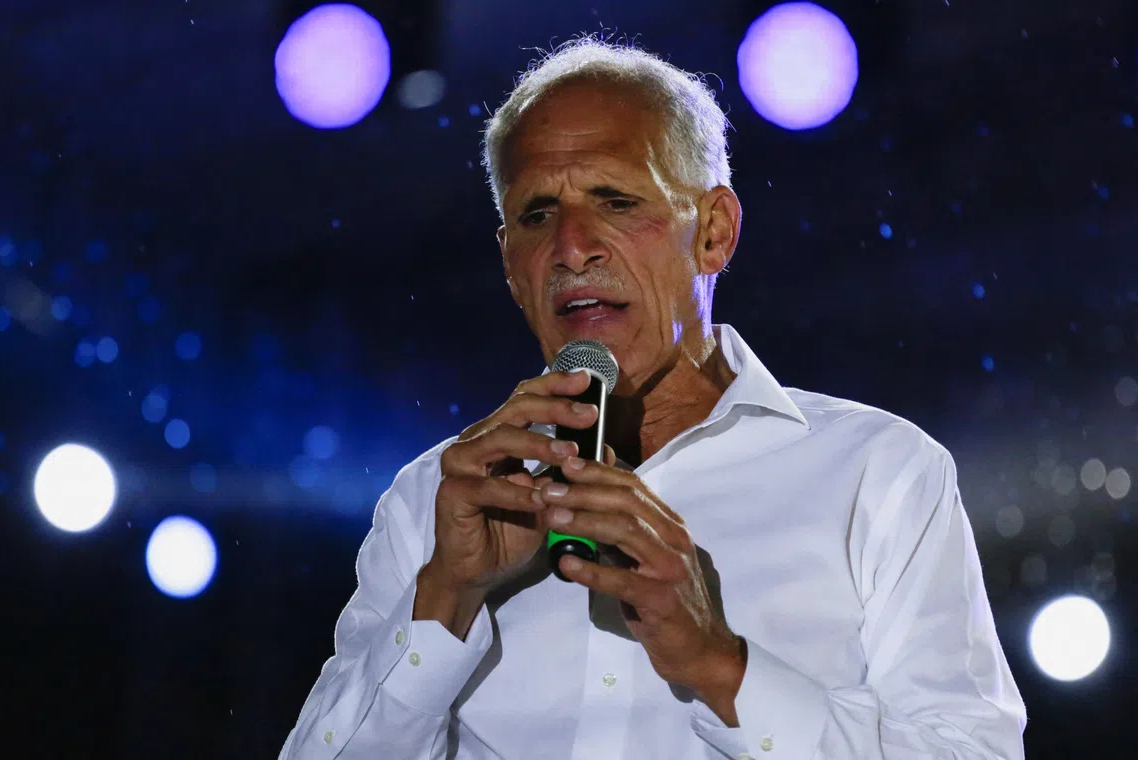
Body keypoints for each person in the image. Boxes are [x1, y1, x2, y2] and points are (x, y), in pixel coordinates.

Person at [279, 37, 1026, 759]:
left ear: (715, 234)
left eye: (615, 200)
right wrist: (445, 597)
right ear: (511, 266)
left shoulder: (879, 474)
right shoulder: (434, 500)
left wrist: (718, 664)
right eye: (538, 215)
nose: (572, 247)